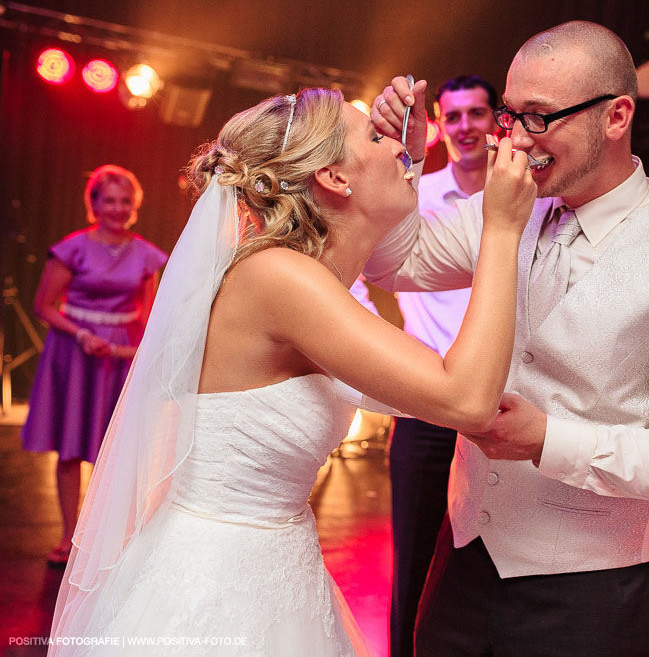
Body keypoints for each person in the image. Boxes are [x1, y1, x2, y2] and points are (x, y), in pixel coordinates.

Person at [49, 88, 536, 655]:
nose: (403, 148)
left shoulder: (306, 280)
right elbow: (464, 397)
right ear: (333, 177)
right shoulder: (279, 278)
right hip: (216, 587)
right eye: (376, 139)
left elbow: (427, 384)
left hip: (277, 566)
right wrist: (502, 228)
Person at [367, 21, 649, 656]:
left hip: (590, 597)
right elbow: (392, 262)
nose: (517, 141)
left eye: (540, 118)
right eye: (510, 117)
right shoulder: (510, 205)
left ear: (617, 115)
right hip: (464, 554)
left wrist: (550, 440)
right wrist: (406, 160)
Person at [389, 74, 498, 657]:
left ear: (495, 120)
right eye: (452, 117)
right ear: (439, 125)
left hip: (500, 409)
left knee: (485, 565)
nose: (464, 127)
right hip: (424, 405)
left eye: (475, 114)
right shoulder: (417, 198)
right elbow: (359, 271)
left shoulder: (526, 202)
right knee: (413, 563)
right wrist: (384, 353)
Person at [21, 165, 166, 566]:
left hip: (119, 357)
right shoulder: (73, 247)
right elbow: (44, 306)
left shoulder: (147, 254)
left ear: (133, 206)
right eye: (109, 200)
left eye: (125, 201)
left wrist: (131, 354)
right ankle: (68, 537)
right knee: (70, 448)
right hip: (74, 351)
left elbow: (149, 317)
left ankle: (107, 537)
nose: (117, 209)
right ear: (94, 204)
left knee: (118, 448)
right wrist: (81, 334)